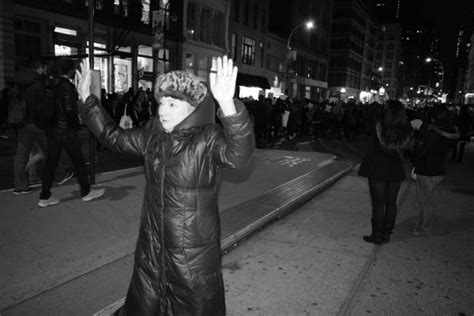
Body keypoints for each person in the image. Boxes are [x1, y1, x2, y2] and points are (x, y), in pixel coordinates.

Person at [75, 56, 254, 315]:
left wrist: (227, 104)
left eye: (173, 103)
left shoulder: (207, 139)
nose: (163, 110)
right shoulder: (153, 136)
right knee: (146, 304)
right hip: (152, 248)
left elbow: (240, 156)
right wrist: (87, 100)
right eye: (161, 103)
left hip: (190, 256)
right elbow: (112, 137)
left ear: (192, 107)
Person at [38, 58, 104, 207]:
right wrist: (75, 124)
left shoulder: (49, 84)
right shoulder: (66, 86)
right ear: (69, 71)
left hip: (52, 129)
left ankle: (44, 196)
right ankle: (86, 192)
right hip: (66, 130)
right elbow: (69, 109)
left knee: (50, 163)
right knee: (79, 162)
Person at [358, 100, 413, 245]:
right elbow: (409, 148)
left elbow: (365, 122)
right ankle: (387, 233)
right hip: (395, 169)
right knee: (391, 203)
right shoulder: (406, 128)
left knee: (378, 204)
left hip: (377, 167)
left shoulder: (378, 124)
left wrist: (374, 110)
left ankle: (377, 235)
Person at [412, 106, 459, 236]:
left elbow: (423, 152)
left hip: (426, 169)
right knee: (427, 198)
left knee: (425, 200)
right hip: (440, 169)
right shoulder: (450, 134)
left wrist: (416, 151)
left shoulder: (432, 134)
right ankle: (422, 223)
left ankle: (424, 227)